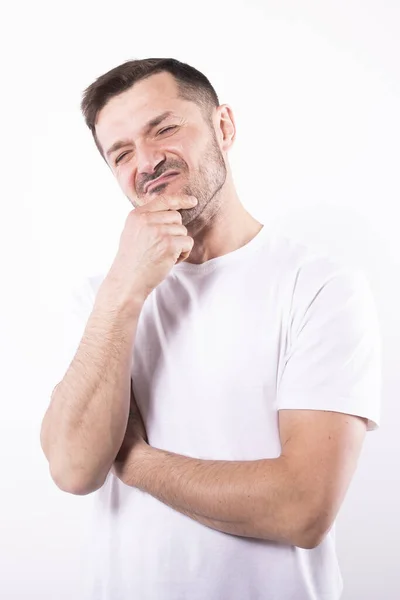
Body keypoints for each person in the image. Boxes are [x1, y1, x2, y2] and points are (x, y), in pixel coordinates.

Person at [40, 58, 381, 600]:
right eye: (122, 153)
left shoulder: (317, 286)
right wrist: (125, 289)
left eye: (165, 128)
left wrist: (133, 459)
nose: (148, 162)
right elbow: (75, 469)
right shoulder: (101, 299)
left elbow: (303, 508)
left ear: (223, 126)